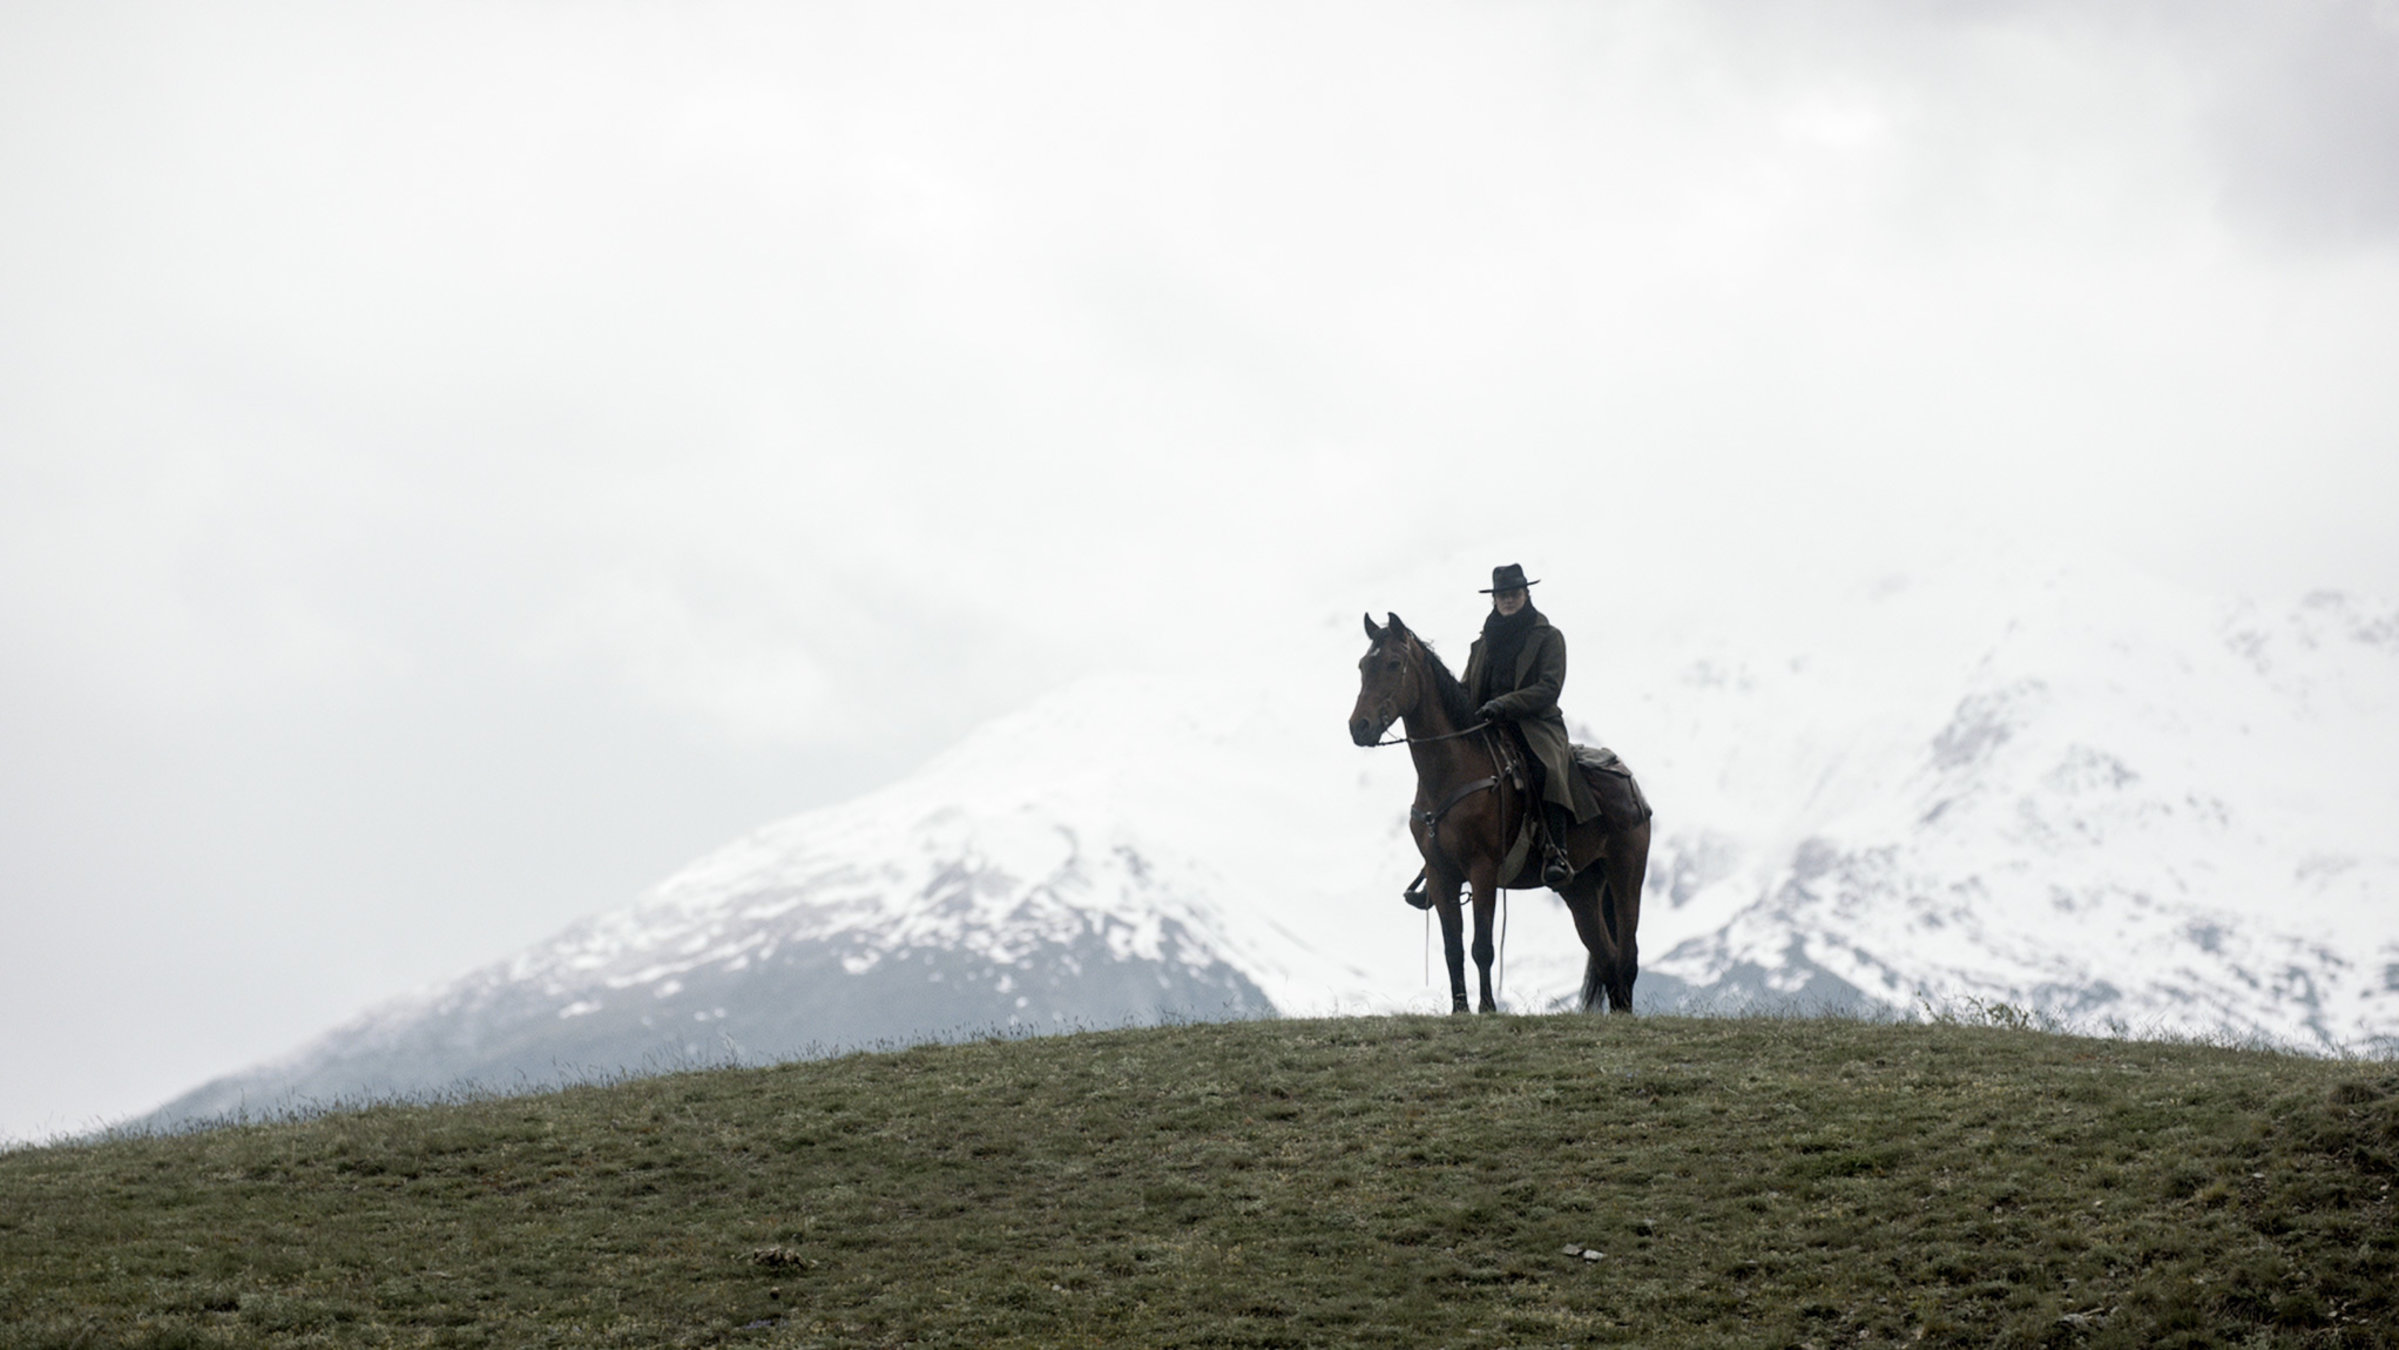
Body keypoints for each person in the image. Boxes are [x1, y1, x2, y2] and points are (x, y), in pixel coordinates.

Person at [1461, 563, 1599, 888]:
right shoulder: (1480, 645)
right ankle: (1439, 859)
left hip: (1535, 723)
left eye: (1514, 594)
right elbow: (1467, 687)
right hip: (1487, 723)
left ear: (1526, 594)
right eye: (1502, 595)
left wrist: (1504, 704)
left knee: (1544, 769)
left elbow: (1549, 687)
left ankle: (1556, 849)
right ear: (1494, 600)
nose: (1508, 600)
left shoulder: (1549, 637)